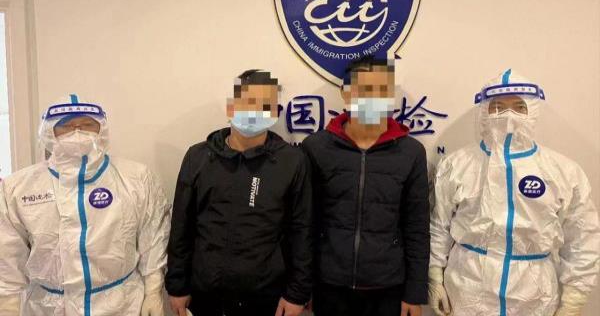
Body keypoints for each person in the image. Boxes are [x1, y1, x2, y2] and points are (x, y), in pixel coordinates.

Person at [429, 69, 600, 316]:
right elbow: (439, 225)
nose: (508, 115)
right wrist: (434, 275)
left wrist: (574, 299)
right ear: (484, 111)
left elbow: (582, 236)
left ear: (533, 110)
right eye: (498, 107)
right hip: (468, 288)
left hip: (534, 295)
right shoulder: (457, 165)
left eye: (519, 107)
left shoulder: (563, 171)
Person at [0, 94, 171, 316]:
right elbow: (8, 253)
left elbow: (153, 237)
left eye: (87, 125)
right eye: (66, 126)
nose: (77, 132)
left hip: (122, 305)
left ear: (102, 130)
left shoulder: (136, 178)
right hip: (47, 308)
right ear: (49, 132)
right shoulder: (18, 188)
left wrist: (153, 291)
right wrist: (8, 304)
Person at [166, 70, 312, 316]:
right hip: (205, 294)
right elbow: (181, 226)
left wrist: (297, 293)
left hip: (266, 297)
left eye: (264, 105)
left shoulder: (292, 161)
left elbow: (302, 231)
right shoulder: (198, 157)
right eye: (248, 102)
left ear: (275, 112)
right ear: (231, 107)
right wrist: (177, 285)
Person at [302, 57, 430, 316]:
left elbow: (417, 227)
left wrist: (414, 292)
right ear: (345, 93)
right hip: (330, 284)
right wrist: (303, 286)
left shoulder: (411, 152)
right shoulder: (316, 148)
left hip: (388, 287)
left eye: (381, 90)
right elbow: (305, 224)